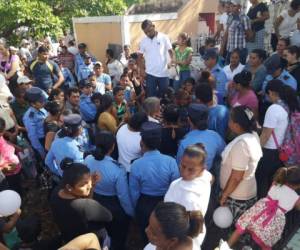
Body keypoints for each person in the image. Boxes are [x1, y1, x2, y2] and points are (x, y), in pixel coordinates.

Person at [129, 121, 180, 244]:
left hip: (144, 204)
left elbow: (134, 193)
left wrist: (137, 209)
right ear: (159, 142)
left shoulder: (136, 164)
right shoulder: (170, 162)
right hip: (165, 202)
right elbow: (175, 186)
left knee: (145, 234)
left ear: (142, 143)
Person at [228, 166, 300, 249]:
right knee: (265, 244)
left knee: (240, 229)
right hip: (272, 223)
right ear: (298, 185)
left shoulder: (276, 183)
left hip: (258, 212)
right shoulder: (296, 198)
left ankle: (226, 246)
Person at [85, 131, 133, 250]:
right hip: (113, 205)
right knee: (118, 235)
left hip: (94, 199)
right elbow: (123, 197)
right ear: (112, 147)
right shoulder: (117, 169)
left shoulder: (88, 160)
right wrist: (131, 212)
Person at [50, 158, 112, 243]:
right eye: (83, 184)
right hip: (92, 242)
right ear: (69, 187)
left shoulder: (55, 192)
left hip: (71, 239)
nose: (89, 186)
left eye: (89, 179)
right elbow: (108, 217)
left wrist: (91, 183)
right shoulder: (85, 206)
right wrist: (92, 186)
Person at [257, 80, 300, 198]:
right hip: (283, 153)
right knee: (275, 184)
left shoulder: (274, 108)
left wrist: (256, 151)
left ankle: (262, 206)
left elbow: (266, 135)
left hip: (269, 152)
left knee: (262, 181)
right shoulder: (289, 106)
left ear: (270, 92)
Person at [220, 106, 262, 223]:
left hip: (237, 197)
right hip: (246, 191)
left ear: (237, 125)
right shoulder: (254, 135)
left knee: (236, 227)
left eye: (230, 120)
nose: (228, 122)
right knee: (243, 227)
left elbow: (237, 176)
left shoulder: (241, 145)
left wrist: (225, 195)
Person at [165, 144, 213, 248]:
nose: (184, 172)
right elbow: (210, 177)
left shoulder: (189, 197)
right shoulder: (205, 176)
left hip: (180, 237)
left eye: (191, 170)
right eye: (182, 166)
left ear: (202, 169)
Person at [177, 103, 225, 171]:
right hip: (209, 176)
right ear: (208, 118)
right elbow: (224, 153)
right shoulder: (216, 136)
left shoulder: (184, 142)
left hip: (191, 176)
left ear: (189, 120)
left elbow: (180, 166)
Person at [139, 19, 173, 97]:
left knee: (164, 95)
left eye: (149, 31)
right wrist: (141, 69)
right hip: (150, 74)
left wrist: (172, 61)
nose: (148, 33)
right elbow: (139, 57)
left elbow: (171, 51)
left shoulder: (164, 37)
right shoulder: (143, 41)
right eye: (145, 32)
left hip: (163, 73)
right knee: (151, 96)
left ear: (153, 26)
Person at [221, 0, 252, 64]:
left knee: (239, 71)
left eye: (234, 6)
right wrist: (222, 49)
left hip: (240, 51)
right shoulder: (230, 17)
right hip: (230, 49)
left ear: (239, 7)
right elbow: (226, 33)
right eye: (231, 5)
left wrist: (243, 46)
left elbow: (249, 35)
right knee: (227, 69)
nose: (232, 7)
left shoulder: (244, 18)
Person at [23, 87, 48, 159]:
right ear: (33, 104)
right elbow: (33, 138)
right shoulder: (29, 117)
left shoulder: (42, 108)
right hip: (42, 141)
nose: (43, 102)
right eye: (40, 101)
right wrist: (42, 153)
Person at [0, 117, 22, 194]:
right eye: (2, 130)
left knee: (18, 182)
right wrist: (13, 168)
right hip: (9, 171)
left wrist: (15, 147)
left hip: (14, 167)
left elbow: (5, 142)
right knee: (14, 186)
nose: (3, 132)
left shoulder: (0, 136)